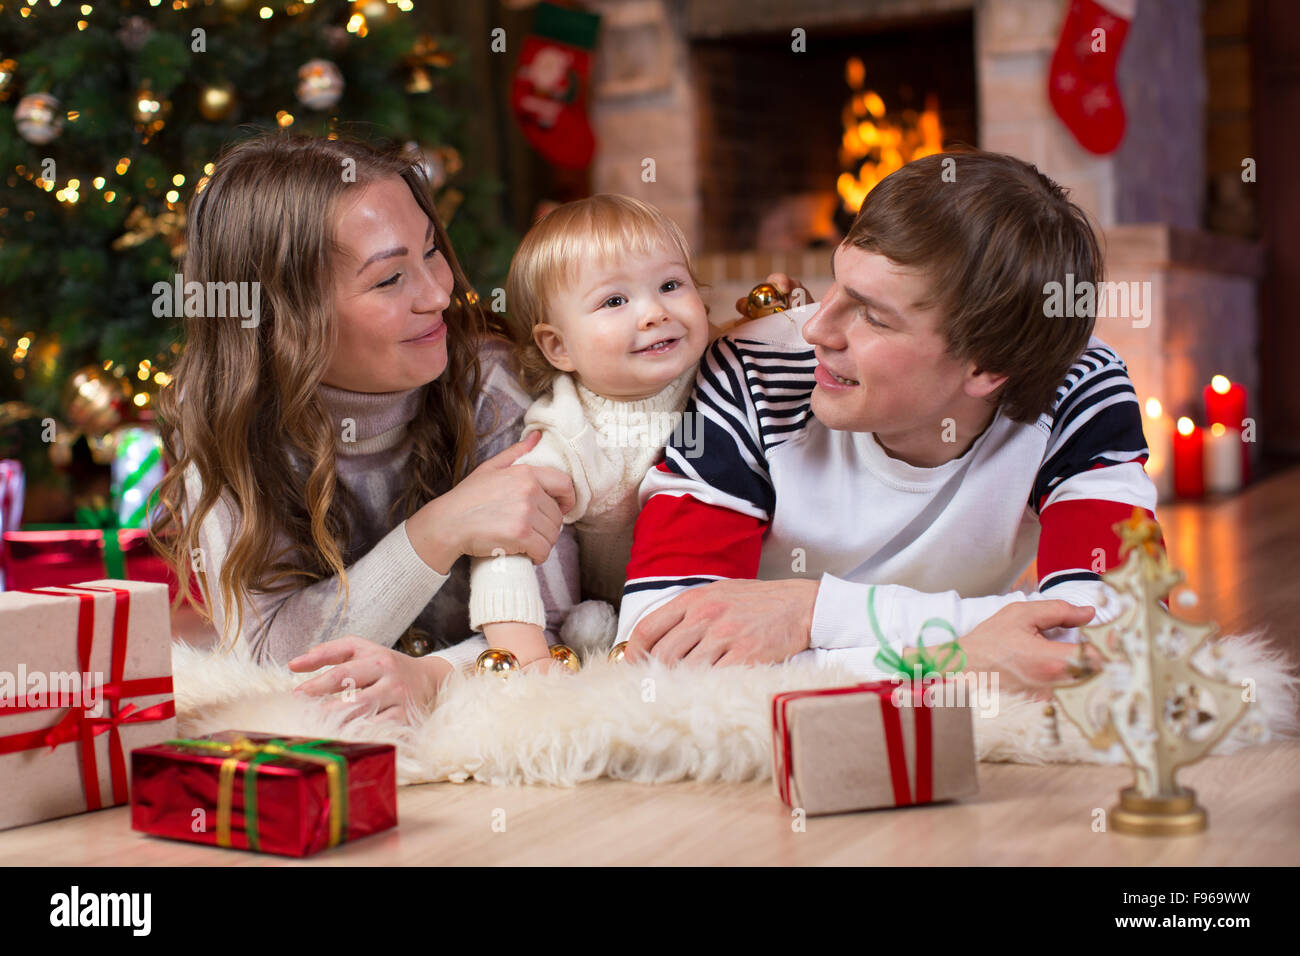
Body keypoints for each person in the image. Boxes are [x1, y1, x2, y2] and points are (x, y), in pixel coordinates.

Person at [616, 150, 1157, 691]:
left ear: (990, 368)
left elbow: (1116, 638)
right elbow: (654, 655)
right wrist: (963, 656)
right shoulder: (752, 371)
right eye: (836, 282)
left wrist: (815, 613)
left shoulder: (1079, 385)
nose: (816, 330)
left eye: (873, 316)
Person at [153, 133, 580, 722]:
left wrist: (433, 677)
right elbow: (264, 658)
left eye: (430, 252)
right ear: (285, 318)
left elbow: (560, 626)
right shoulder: (223, 428)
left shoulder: (491, 388)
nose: (438, 293)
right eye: (388, 279)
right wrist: (438, 529)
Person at [468, 195, 711, 671]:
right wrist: (525, 655)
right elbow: (506, 539)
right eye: (615, 300)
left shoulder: (727, 377)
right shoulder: (566, 432)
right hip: (618, 617)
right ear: (559, 347)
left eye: (670, 284)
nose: (655, 312)